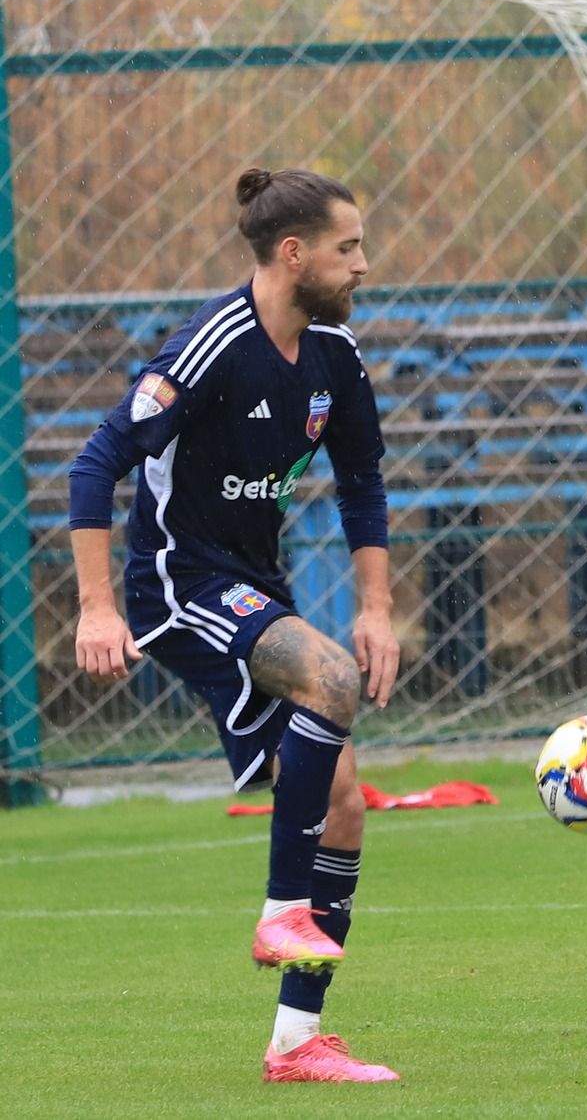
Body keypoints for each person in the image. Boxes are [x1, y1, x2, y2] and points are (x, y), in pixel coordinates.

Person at [68, 168, 400, 1083]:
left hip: (255, 586)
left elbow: (364, 483)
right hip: (179, 587)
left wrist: (378, 609)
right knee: (329, 679)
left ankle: (297, 1043)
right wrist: (96, 607)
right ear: (293, 253)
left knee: (343, 806)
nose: (363, 265)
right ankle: (280, 907)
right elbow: (95, 467)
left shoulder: (334, 353)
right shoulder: (212, 344)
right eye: (348, 248)